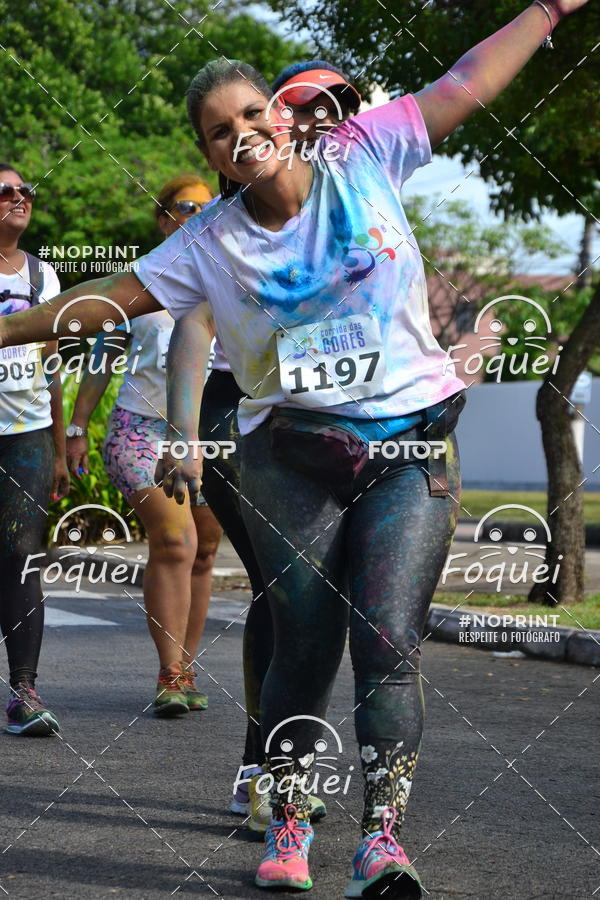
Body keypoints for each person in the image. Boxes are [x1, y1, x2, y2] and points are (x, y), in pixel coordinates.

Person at [0, 1, 587, 893]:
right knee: (303, 643)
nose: (238, 136)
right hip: (292, 457)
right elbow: (107, 297)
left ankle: (383, 839)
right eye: (215, 132)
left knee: (388, 639)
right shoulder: (208, 243)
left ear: (279, 116)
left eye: (248, 115)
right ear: (208, 156)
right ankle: (292, 821)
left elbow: (463, 84)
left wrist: (544, 9)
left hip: (409, 452)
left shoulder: (367, 152)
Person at [196, 60, 360, 831]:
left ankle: (275, 766)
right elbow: (185, 325)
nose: (323, 116)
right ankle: (263, 771)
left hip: (330, 415)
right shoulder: (225, 224)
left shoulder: (357, 190)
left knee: (314, 594)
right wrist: (179, 429)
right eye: (305, 104)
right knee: (280, 586)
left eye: (341, 104)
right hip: (240, 409)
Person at [65, 175, 222, 717]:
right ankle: (169, 672)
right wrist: (78, 427)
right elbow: (102, 357)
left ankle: (187, 666)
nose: (198, 215)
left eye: (209, 207)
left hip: (212, 434)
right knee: (175, 541)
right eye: (185, 207)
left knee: (203, 550)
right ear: (163, 218)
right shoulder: (143, 284)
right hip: (141, 430)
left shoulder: (232, 277)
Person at [0, 163, 69, 735]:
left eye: (25, 191)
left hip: (26, 433)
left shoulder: (45, 276)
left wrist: (62, 443)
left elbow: (52, 365)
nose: (19, 197)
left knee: (22, 555)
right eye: (5, 191)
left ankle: (23, 690)